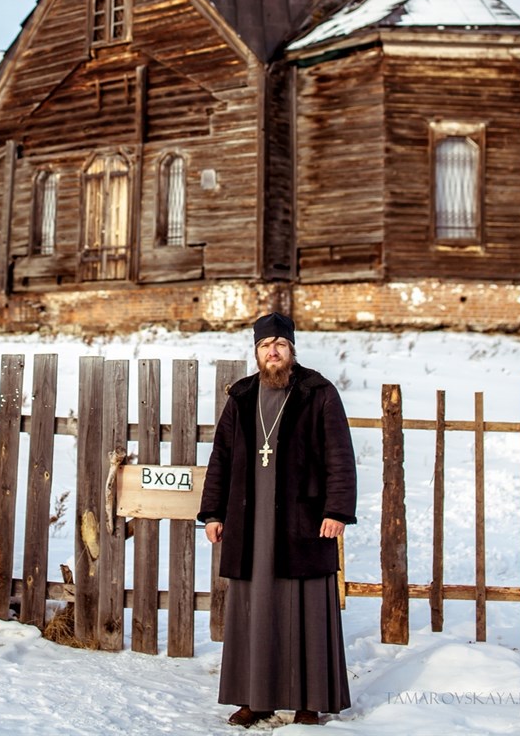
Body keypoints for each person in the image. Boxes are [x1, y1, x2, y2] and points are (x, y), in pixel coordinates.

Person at [198, 312, 357, 728]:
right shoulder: (242, 396)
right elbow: (222, 460)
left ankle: (309, 701)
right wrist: (213, 512)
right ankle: (257, 698)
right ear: (256, 354)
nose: (273, 352)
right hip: (251, 526)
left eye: (280, 346)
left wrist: (336, 511)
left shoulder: (318, 392)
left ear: (291, 350)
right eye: (266, 347)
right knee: (255, 610)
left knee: (306, 610)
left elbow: (340, 456)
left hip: (304, 523)